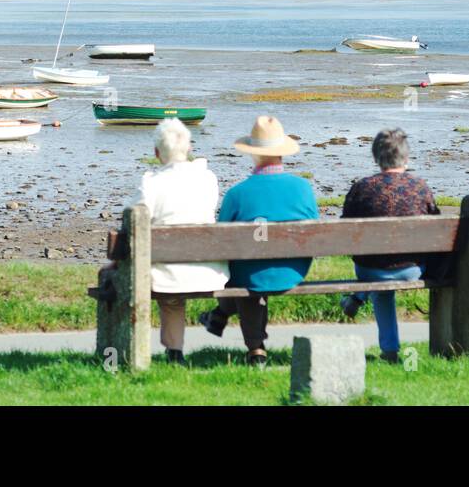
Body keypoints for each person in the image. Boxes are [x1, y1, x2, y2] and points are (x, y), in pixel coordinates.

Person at [199, 114, 318, 366]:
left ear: (252, 153)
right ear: (282, 152)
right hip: (293, 270)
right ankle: (229, 326)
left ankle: (252, 346)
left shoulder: (237, 193)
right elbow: (315, 234)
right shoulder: (303, 188)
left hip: (250, 275)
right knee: (252, 271)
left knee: (246, 272)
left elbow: (220, 240)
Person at [122, 119, 228, 365]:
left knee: (166, 284)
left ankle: (174, 352)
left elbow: (131, 219)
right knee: (170, 273)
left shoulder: (151, 183)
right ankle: (174, 353)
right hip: (208, 269)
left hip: (168, 273)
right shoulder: (207, 179)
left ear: (157, 153)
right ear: (189, 148)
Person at [339, 128, 440, 363]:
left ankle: (389, 348)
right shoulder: (420, 187)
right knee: (385, 271)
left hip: (369, 269)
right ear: (406, 157)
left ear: (375, 157)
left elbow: (345, 232)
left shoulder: (362, 188)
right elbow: (436, 227)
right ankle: (360, 300)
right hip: (412, 270)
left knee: (379, 275)